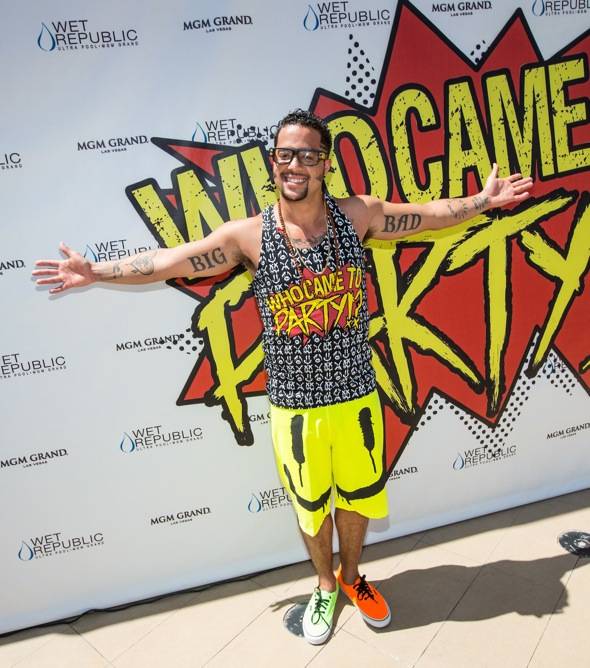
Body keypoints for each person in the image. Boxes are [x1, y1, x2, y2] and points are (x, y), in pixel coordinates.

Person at [33, 109, 532, 645]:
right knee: (312, 506)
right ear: (274, 162)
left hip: (356, 398)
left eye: (308, 155)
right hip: (295, 408)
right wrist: (95, 271)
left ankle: (352, 576)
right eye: (285, 154)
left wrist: (483, 201)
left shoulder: (357, 215)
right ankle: (325, 585)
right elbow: (172, 261)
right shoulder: (249, 235)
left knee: (358, 499)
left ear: (325, 163)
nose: (295, 164)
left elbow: (426, 216)